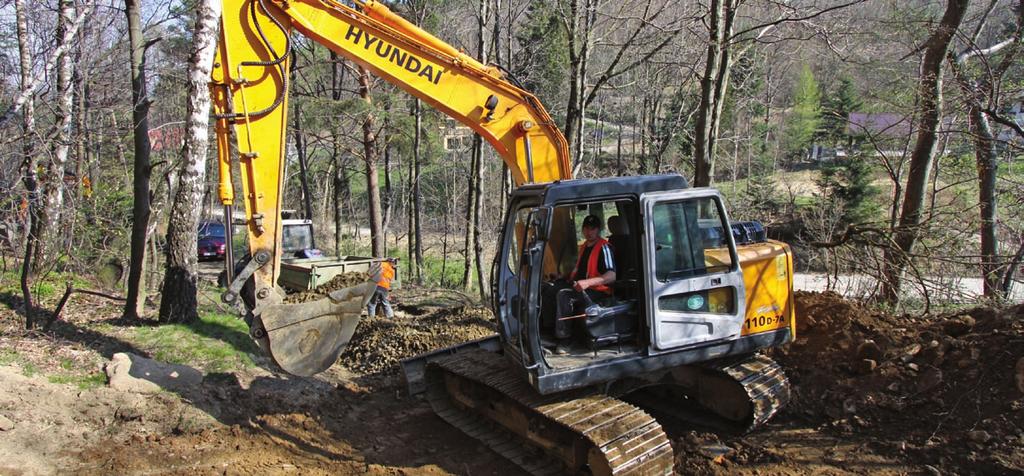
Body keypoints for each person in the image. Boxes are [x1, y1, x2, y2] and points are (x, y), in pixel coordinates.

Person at [542, 214, 616, 354]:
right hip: (579, 287)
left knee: (564, 295)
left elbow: (612, 275)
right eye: (586, 228)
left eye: (592, 229)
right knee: (547, 288)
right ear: (582, 230)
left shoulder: (604, 247)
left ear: (598, 230)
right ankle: (550, 331)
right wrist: (562, 277)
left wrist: (587, 283)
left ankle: (566, 339)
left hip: (598, 291)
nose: (589, 232)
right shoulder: (584, 247)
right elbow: (579, 271)